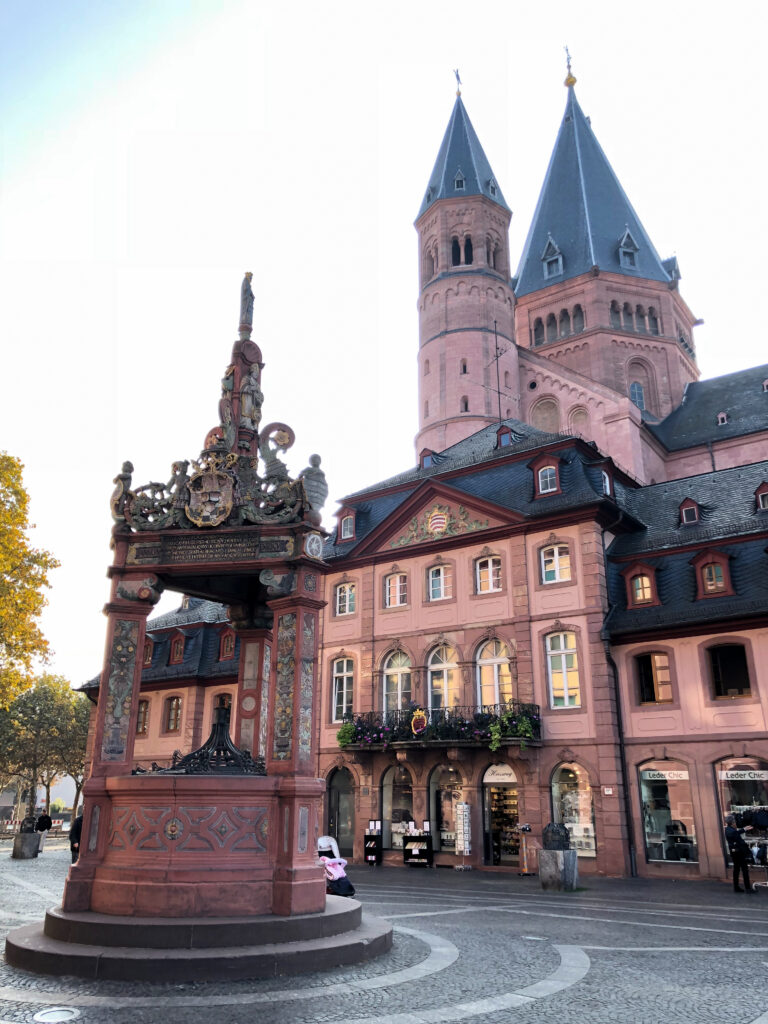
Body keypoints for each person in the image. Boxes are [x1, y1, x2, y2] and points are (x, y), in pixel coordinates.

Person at [725, 814, 754, 893]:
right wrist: (748, 851)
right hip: (739, 853)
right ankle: (748, 888)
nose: (736, 823)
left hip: (734, 853)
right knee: (744, 869)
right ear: (733, 822)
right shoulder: (732, 831)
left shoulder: (728, 829)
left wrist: (744, 829)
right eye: (735, 821)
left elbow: (736, 833)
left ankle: (736, 887)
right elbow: (740, 841)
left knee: (736, 870)